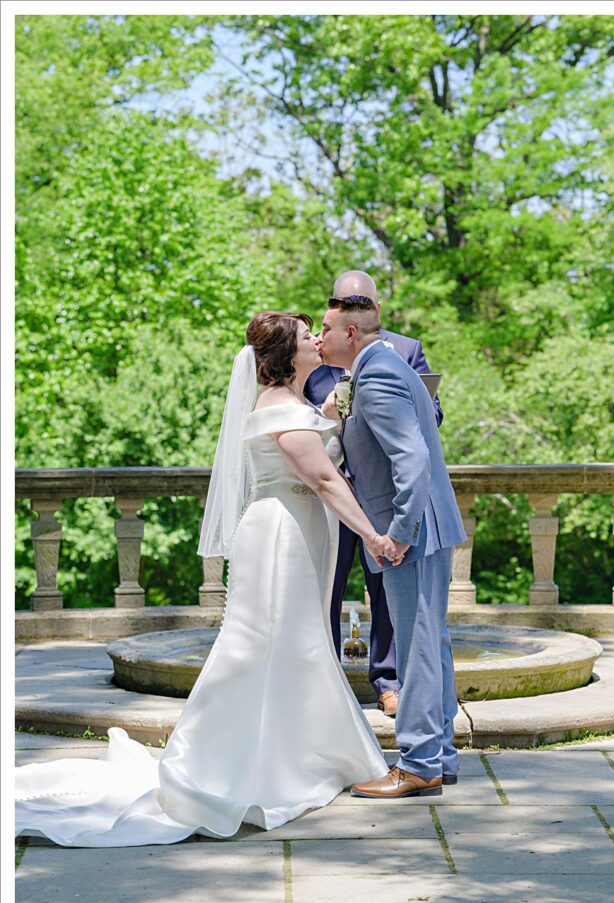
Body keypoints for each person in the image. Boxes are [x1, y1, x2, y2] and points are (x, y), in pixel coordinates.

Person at [15, 311, 394, 847]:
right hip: (281, 536)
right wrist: (375, 537)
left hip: (299, 531)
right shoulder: (279, 411)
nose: (316, 339)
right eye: (308, 335)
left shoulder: (294, 405)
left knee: (295, 645)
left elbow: (322, 425)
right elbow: (326, 480)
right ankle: (244, 766)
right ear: (289, 356)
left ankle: (301, 755)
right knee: (274, 645)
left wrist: (345, 397)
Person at [316, 295, 467, 798]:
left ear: (351, 334)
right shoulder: (380, 366)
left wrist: (398, 533)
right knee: (432, 646)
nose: (320, 337)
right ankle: (440, 756)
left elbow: (413, 459)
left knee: (417, 648)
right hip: (428, 529)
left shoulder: (376, 375)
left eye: (327, 328)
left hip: (413, 536)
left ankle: (419, 763)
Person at [304, 270, 443, 719]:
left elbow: (423, 427)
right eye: (341, 300)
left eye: (358, 299)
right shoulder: (316, 353)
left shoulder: (397, 354)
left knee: (395, 604)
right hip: (336, 492)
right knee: (327, 585)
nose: (321, 336)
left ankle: (389, 683)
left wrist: (400, 529)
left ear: (373, 309)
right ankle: (324, 675)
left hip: (385, 500)